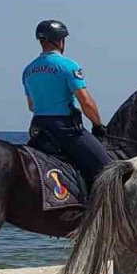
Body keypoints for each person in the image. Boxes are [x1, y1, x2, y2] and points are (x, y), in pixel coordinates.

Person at [22, 19, 112, 186]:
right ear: (60, 41)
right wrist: (98, 125)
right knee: (108, 169)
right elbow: (86, 102)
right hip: (65, 129)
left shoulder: (28, 70)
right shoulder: (68, 65)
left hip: (38, 129)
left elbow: (31, 106)